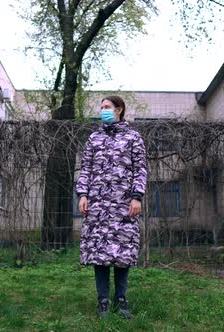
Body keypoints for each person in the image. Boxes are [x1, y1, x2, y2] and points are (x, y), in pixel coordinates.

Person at [75, 95, 148, 319]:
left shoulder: (133, 138)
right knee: (99, 253)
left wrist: (137, 197)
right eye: (101, 107)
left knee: (123, 253)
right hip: (97, 206)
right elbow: (85, 167)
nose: (103, 110)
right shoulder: (94, 138)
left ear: (119, 110)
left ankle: (121, 300)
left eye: (107, 107)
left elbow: (140, 169)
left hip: (123, 206)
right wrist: (83, 194)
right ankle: (103, 302)